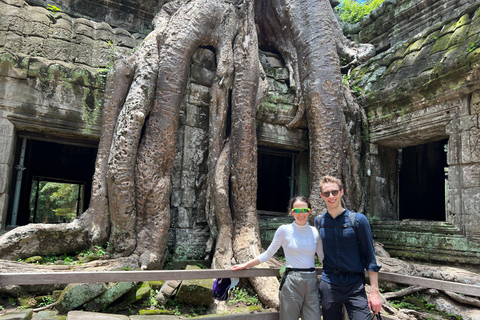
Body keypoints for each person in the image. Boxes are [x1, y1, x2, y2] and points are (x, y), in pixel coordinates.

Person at [232, 196, 323, 320]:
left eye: (304, 210)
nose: (300, 214)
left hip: (311, 281)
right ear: (291, 212)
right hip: (292, 281)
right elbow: (268, 254)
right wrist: (245, 265)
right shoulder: (284, 230)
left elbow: (323, 258)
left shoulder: (315, 232)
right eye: (296, 211)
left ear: (309, 211)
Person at [314, 175, 382, 320]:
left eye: (335, 192)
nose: (331, 196)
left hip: (355, 285)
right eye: (326, 193)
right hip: (329, 284)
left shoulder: (358, 220)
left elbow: (370, 256)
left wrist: (375, 292)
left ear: (341, 192)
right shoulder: (319, 221)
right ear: (321, 196)